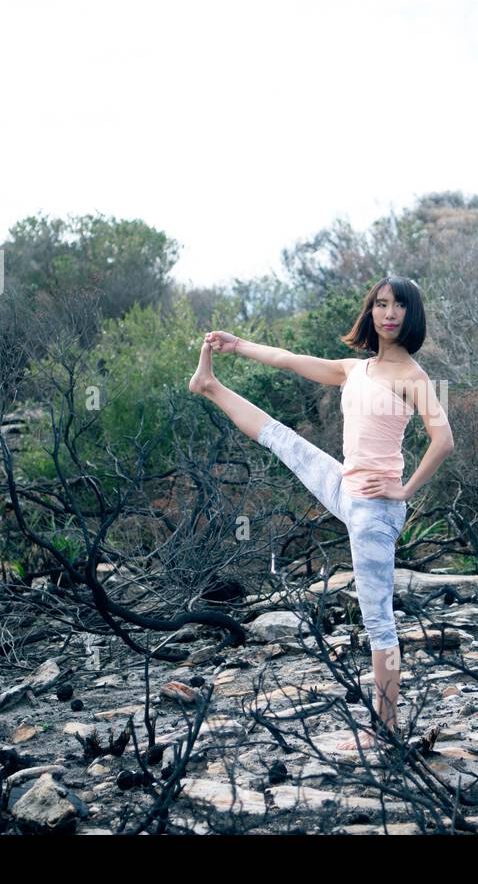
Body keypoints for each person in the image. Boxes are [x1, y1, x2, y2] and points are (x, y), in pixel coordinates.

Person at [187, 275, 455, 752]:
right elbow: (291, 361)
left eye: (398, 307)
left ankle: (386, 731)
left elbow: (444, 439)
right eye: (381, 305)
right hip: (345, 488)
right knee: (282, 438)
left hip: (375, 510)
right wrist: (238, 345)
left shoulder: (413, 378)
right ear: (371, 311)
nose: (389, 314)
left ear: (412, 315)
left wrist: (403, 488)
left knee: (378, 622)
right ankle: (209, 385)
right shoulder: (356, 368)